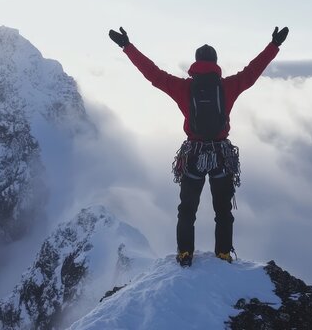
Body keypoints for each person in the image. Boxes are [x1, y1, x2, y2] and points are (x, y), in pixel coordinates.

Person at [108, 26, 289, 267]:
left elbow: (153, 74)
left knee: (187, 210)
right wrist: (273, 45)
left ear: (196, 64)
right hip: (220, 156)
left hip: (193, 155)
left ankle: (185, 254)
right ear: (215, 63)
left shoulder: (184, 88)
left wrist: (127, 47)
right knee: (223, 211)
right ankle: (223, 254)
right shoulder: (227, 87)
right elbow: (252, 72)